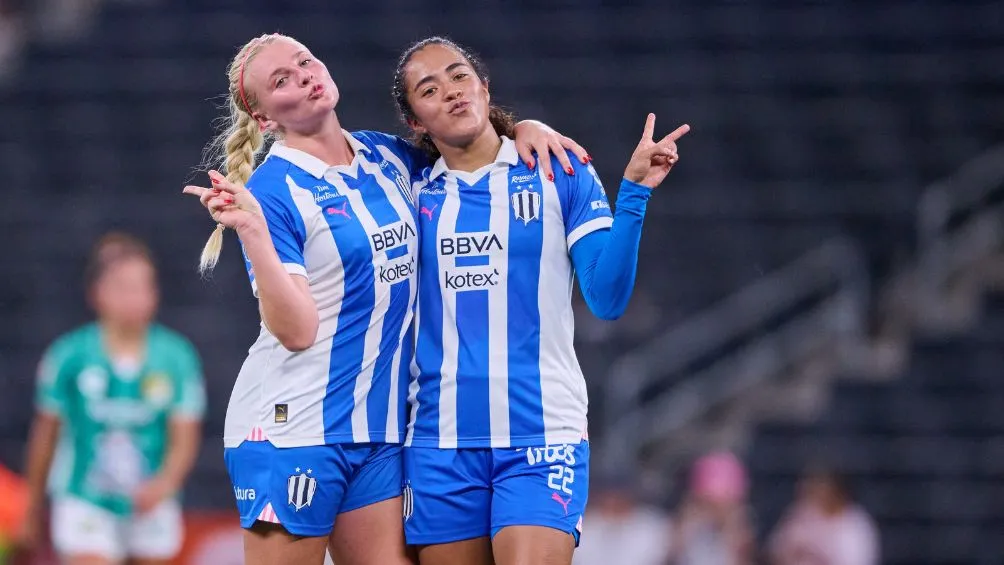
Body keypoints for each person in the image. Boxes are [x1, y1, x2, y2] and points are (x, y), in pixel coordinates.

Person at [181, 33, 588, 565]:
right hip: (295, 427)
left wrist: (526, 128)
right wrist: (253, 234)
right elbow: (297, 330)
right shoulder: (273, 190)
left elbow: (469, 141)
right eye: (281, 80)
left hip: (378, 433)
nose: (302, 75)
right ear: (263, 119)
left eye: (305, 61)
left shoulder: (385, 156)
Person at [392, 36, 689, 565]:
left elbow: (607, 297)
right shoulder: (405, 189)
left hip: (542, 433)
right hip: (440, 439)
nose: (452, 93)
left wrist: (635, 192)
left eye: (460, 77)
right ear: (416, 122)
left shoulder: (559, 170)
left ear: (485, 87)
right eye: (430, 90)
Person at [19, 232, 206, 565]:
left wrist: (164, 484)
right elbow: (45, 436)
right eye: (123, 287)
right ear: (97, 293)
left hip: (149, 501)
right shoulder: (69, 355)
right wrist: (32, 509)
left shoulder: (177, 357)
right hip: (85, 498)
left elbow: (185, 438)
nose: (135, 297)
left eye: (144, 286)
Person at [768, 466, 879, 565]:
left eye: (820, 488)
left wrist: (815, 554)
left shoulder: (856, 524)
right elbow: (774, 552)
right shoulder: (801, 513)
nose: (814, 493)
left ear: (836, 491)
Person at [669, 451, 756, 565]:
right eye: (707, 503)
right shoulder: (684, 527)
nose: (715, 511)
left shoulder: (740, 534)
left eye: (721, 504)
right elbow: (671, 554)